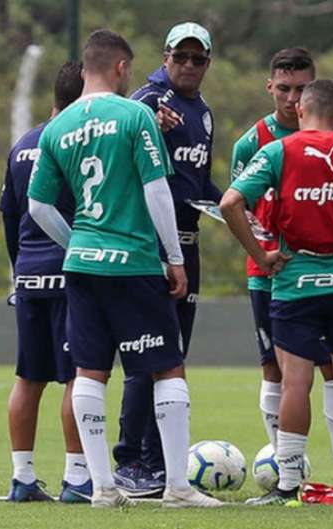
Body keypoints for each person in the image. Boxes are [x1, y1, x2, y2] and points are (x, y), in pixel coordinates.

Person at [28, 29, 221, 509]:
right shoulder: (136, 115)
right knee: (166, 367)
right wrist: (174, 258)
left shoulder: (57, 127)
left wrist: (77, 243)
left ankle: (102, 488)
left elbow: (37, 206)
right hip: (133, 261)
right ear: (119, 67)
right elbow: (157, 189)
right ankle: (177, 486)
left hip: (83, 264)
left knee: (91, 372)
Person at [221, 79, 333, 507]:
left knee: (295, 384)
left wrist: (262, 255)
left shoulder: (277, 151)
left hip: (293, 281)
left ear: (300, 111)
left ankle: (287, 487)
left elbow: (231, 203)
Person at [110, 21, 221, 497]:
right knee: (146, 354)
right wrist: (147, 128)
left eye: (199, 59)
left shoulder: (204, 113)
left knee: (172, 357)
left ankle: (157, 462)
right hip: (150, 247)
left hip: (187, 243)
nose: (189, 66)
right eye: (182, 57)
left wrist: (242, 207)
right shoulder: (145, 101)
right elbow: (116, 154)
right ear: (165, 56)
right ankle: (129, 461)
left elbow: (198, 186)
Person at [230, 48, 333, 487]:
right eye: (284, 89)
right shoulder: (251, 142)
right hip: (269, 273)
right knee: (275, 369)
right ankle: (289, 470)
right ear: (270, 88)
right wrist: (265, 252)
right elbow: (237, 207)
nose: (292, 98)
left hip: (327, 270)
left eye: (301, 89)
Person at [0, 61, 89, 504]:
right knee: (78, 376)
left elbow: (10, 215)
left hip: (29, 274)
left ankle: (22, 478)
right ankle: (77, 478)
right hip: (70, 271)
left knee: (28, 377)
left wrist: (19, 271)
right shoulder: (76, 142)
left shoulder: (22, 145)